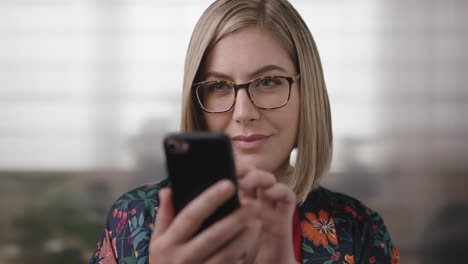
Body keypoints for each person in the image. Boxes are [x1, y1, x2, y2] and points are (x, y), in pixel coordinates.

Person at [89, 0, 400, 263]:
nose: (243, 113)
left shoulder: (359, 229)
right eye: (218, 87)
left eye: (268, 82)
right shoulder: (135, 219)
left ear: (308, 94)